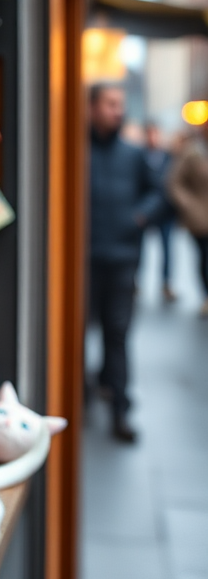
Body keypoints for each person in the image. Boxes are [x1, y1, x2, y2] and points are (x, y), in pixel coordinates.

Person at [88, 85, 162, 443]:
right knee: (77, 331)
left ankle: (120, 408)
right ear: (92, 108)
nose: (118, 111)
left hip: (121, 260)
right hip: (83, 262)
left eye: (120, 105)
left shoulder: (133, 155)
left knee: (116, 333)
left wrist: (139, 217)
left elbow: (158, 192)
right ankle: (80, 398)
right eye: (110, 104)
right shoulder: (77, 150)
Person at [167, 125, 208, 317]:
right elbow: (174, 181)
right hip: (201, 217)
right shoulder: (193, 152)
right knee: (206, 257)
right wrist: (188, 205)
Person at [144, 122, 177, 303]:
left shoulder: (169, 156)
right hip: (147, 211)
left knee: (167, 249)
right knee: (140, 249)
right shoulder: (139, 155)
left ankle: (166, 282)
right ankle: (136, 283)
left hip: (165, 211)